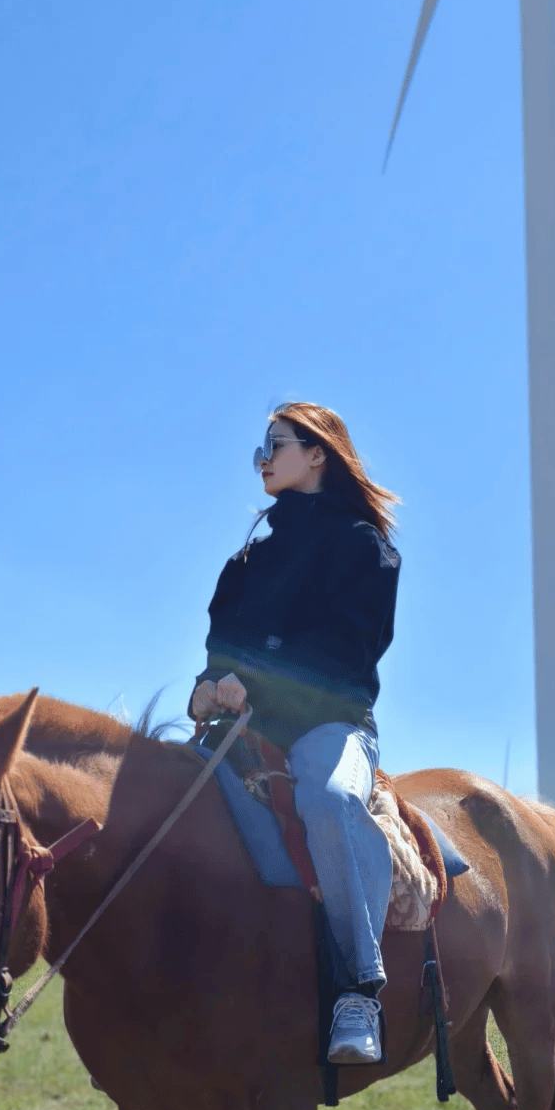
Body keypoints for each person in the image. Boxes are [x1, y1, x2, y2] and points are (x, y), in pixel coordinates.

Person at [189, 402, 401, 1065]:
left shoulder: (364, 546)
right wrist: (210, 682)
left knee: (329, 801)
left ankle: (358, 990)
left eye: (274, 444)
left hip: (330, 725)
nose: (262, 458)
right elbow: (221, 643)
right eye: (260, 448)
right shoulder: (249, 555)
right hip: (239, 730)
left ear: (318, 454)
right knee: (160, 803)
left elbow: (348, 651)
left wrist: (259, 678)